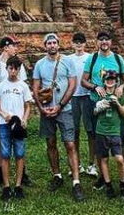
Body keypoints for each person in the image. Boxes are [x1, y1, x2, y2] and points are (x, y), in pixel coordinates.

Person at [32, 33, 85, 202]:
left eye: (55, 42)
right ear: (45, 46)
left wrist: (60, 105)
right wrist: (42, 109)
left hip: (65, 108)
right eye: (49, 43)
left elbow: (72, 84)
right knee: (51, 142)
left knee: (70, 143)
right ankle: (57, 175)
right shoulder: (40, 64)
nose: (52, 45)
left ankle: (76, 181)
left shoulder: (67, 61)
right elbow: (35, 87)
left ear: (58, 45)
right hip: (47, 110)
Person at [81, 30, 124, 192]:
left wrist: (122, 86)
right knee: (97, 139)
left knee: (120, 138)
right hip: (96, 103)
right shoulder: (92, 58)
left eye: (107, 39)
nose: (104, 42)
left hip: (116, 104)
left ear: (111, 42)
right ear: (97, 42)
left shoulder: (118, 58)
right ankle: (103, 177)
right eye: (101, 39)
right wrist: (96, 87)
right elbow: (84, 80)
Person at [0, 36, 30, 188]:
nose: (15, 48)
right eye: (13, 46)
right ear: (6, 47)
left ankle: (22, 173)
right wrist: (3, 104)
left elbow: (22, 84)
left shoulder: (18, 65)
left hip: (16, 112)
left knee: (18, 139)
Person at [0, 55, 33, 201]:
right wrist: (3, 114)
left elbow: (28, 106)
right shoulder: (1, 86)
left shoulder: (23, 86)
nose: (13, 71)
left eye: (16, 68)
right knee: (5, 154)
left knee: (20, 154)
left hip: (19, 125)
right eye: (11, 68)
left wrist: (25, 119)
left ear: (19, 70)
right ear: (7, 69)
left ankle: (18, 185)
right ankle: (6, 186)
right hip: (4, 124)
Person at [92, 70, 124, 199]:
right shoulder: (100, 94)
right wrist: (100, 107)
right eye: (108, 79)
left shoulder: (119, 94)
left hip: (114, 131)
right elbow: (94, 112)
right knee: (103, 158)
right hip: (101, 131)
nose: (110, 81)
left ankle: (123, 184)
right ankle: (108, 185)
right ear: (104, 81)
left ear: (116, 81)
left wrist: (117, 104)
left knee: (119, 159)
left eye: (112, 79)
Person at [68, 32, 98, 177]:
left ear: (85, 43)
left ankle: (92, 164)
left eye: (81, 41)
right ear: (72, 44)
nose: (79, 44)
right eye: (76, 41)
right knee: (74, 132)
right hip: (73, 97)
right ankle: (76, 163)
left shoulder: (90, 58)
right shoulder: (68, 59)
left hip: (87, 96)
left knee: (90, 130)